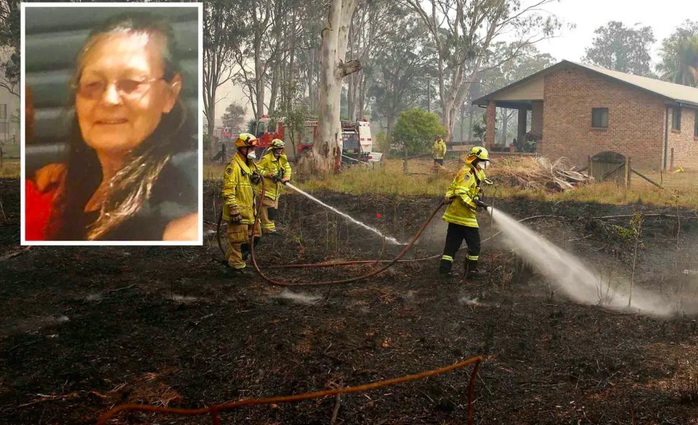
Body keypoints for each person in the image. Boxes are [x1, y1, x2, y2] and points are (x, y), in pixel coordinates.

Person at [26, 12, 198, 241]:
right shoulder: (75, 185)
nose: (109, 99)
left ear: (170, 94)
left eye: (132, 83)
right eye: (93, 83)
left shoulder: (181, 201)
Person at [439, 146, 491, 279]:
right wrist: (474, 204)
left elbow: (472, 185)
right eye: (481, 161)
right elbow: (461, 192)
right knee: (475, 244)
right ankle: (471, 271)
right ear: (474, 159)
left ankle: (444, 271)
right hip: (464, 214)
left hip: (456, 213)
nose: (483, 164)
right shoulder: (467, 173)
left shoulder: (475, 171)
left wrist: (477, 196)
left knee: (452, 245)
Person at [222, 133, 263, 276]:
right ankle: (235, 268)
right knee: (239, 241)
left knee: (255, 236)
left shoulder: (251, 166)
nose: (253, 150)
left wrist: (256, 179)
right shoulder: (233, 167)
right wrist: (233, 209)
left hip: (250, 211)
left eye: (253, 147)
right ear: (242, 148)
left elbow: (251, 187)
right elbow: (228, 191)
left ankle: (231, 259)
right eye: (250, 148)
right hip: (238, 212)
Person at [256, 138, 291, 234]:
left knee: (271, 211)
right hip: (266, 190)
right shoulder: (266, 159)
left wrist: (286, 177)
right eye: (278, 149)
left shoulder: (283, 158)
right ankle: (269, 230)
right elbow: (256, 170)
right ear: (273, 149)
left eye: (281, 149)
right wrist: (267, 174)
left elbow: (287, 168)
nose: (279, 150)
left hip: (276, 191)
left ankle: (259, 227)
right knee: (269, 210)